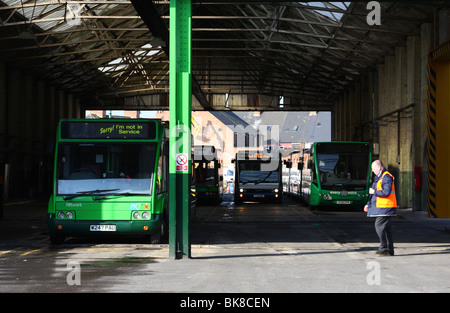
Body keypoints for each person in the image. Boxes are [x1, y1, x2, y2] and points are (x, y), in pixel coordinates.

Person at [364, 160, 397, 256]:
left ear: (379, 167)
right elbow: (374, 194)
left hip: (386, 207)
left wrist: (374, 192)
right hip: (383, 207)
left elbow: (386, 192)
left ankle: (384, 247)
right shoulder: (378, 177)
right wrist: (368, 204)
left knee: (379, 226)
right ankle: (390, 250)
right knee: (387, 229)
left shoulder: (386, 177)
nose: (373, 171)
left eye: (374, 169)